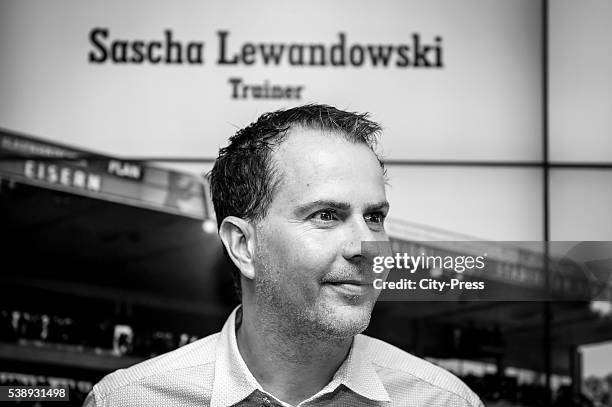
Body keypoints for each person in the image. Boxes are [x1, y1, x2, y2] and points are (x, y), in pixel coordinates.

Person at [84, 104, 484, 406]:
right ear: (243, 245)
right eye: (326, 215)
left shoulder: (444, 401)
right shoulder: (129, 399)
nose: (367, 247)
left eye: (375, 217)